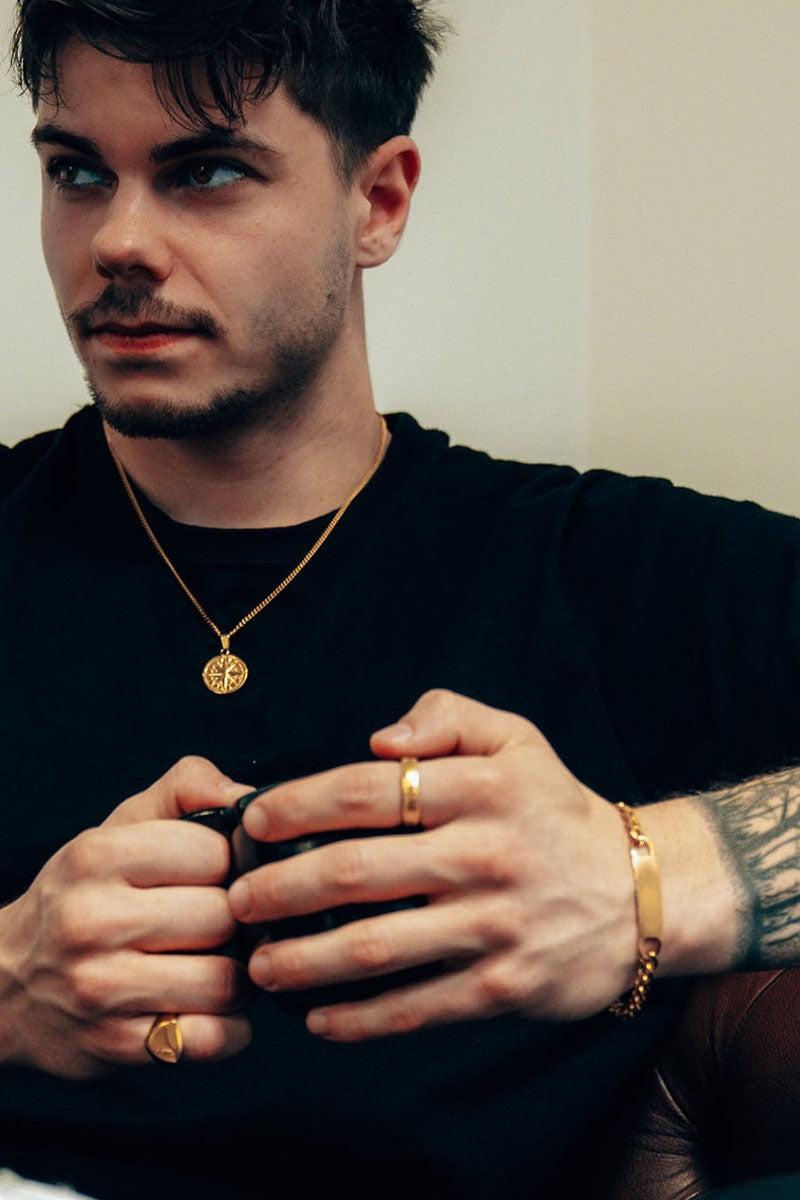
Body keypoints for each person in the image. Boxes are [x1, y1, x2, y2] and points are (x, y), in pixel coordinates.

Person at [1, 1, 800, 1196]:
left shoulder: (599, 570)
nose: (117, 239)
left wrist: (644, 881)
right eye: (76, 171)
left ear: (375, 201)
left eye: (204, 171)